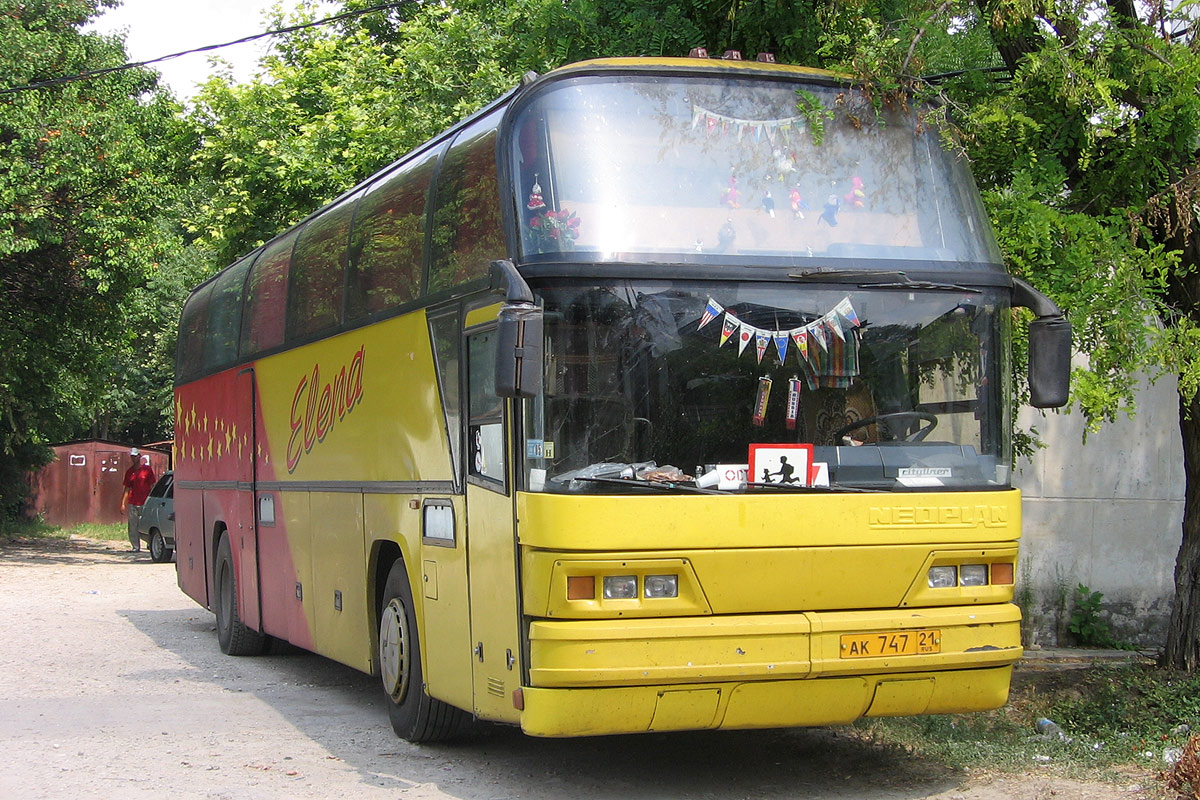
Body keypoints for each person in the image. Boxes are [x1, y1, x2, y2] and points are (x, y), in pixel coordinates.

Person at [120, 448, 156, 553]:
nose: (133, 458)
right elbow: (127, 488)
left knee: (147, 524)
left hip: (145, 503)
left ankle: (150, 544)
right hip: (133, 502)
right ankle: (135, 546)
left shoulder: (147, 470)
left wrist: (152, 500)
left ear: (139, 456)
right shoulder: (129, 472)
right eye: (132, 456)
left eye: (135, 456)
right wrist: (123, 503)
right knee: (133, 525)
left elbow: (152, 485)